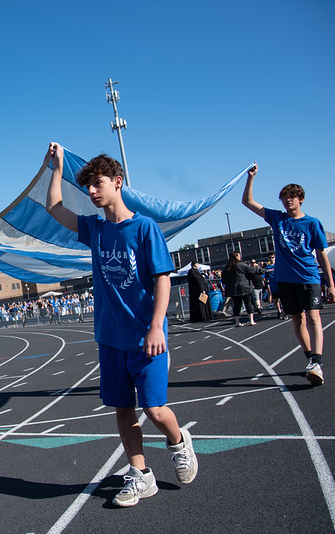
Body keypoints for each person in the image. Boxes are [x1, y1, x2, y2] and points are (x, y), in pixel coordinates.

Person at [42, 143, 197, 507]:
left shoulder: (145, 228)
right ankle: (140, 475)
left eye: (97, 184)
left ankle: (179, 443)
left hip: (147, 338)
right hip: (110, 339)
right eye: (88, 187)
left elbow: (163, 278)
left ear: (117, 181)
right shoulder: (94, 230)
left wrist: (157, 325)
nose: (92, 192)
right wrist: (57, 167)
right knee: (123, 409)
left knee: (156, 410)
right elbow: (53, 207)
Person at [242, 164, 335, 386]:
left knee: (313, 317)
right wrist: (251, 178)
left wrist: (330, 283)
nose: (288, 201)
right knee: (297, 320)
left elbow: (322, 253)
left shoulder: (312, 223)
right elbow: (247, 202)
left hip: (309, 277)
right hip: (285, 279)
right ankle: (310, 360)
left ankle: (317, 361)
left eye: (292, 197)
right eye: (284, 198)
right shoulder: (277, 219)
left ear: (301, 199)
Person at [222, 252, 263, 327]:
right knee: (248, 303)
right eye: (239, 256)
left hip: (233, 289)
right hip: (245, 287)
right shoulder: (241, 265)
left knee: (237, 305)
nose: (240, 257)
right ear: (236, 257)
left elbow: (223, 280)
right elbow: (252, 270)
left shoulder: (227, 267)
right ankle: (251, 320)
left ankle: (237, 322)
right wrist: (262, 270)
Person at [265, 253, 287, 320]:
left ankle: (284, 312)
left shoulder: (278, 265)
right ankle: (279, 311)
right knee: (275, 299)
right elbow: (266, 277)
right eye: (270, 258)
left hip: (280, 284)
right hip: (273, 285)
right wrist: (266, 283)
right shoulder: (267, 267)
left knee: (283, 299)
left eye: (272, 257)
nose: (271, 259)